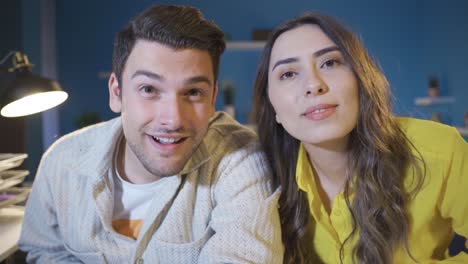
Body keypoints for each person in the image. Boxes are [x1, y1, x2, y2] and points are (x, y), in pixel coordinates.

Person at [19, 4, 283, 263]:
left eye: (193, 93)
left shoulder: (240, 159)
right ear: (116, 92)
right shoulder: (61, 161)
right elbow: (46, 252)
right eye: (149, 89)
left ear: (213, 98)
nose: (173, 119)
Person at [253, 12, 468, 264]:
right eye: (288, 74)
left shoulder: (440, 150)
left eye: (329, 63)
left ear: (361, 78)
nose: (313, 84)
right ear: (273, 108)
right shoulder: (260, 181)